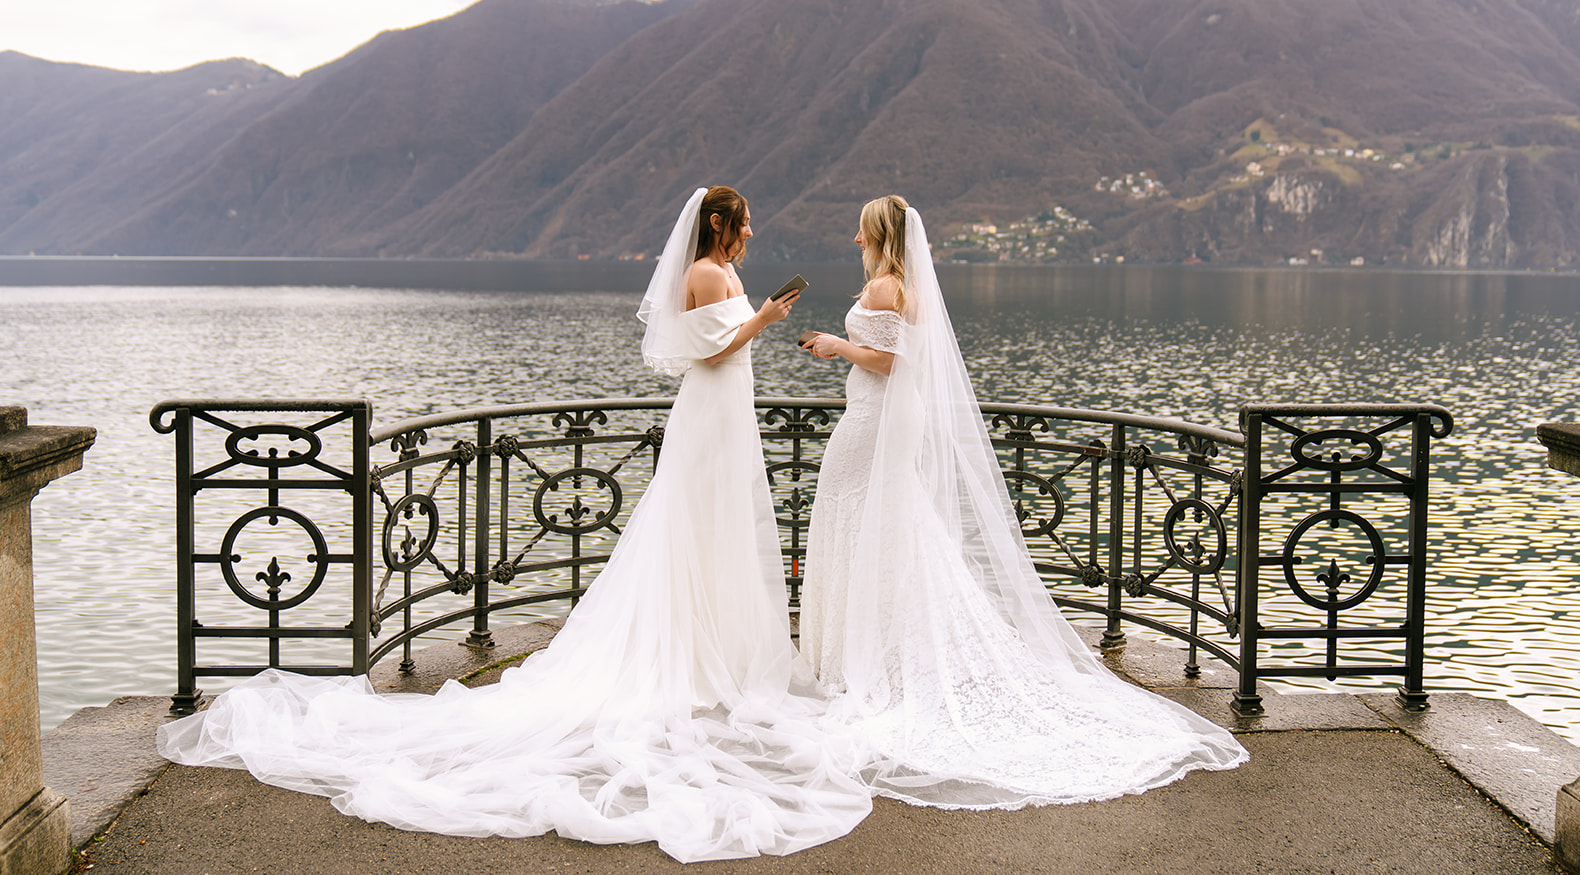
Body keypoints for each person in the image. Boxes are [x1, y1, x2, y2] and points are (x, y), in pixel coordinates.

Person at [157, 186, 872, 863]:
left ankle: (704, 647)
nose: (751, 231)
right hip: (713, 412)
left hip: (716, 415)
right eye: (743, 221)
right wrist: (765, 320)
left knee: (703, 532)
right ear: (720, 225)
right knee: (699, 529)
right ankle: (699, 655)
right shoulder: (712, 275)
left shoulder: (710, 271)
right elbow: (713, 351)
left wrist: (755, 322)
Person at [799, 195, 1248, 808]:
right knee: (890, 520)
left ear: (879, 235)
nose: (855, 239)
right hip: (889, 417)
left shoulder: (883, 289)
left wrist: (833, 345)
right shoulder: (907, 288)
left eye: (861, 230)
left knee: (863, 515)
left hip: (875, 419)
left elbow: (886, 360)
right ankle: (882, 646)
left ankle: (866, 659)